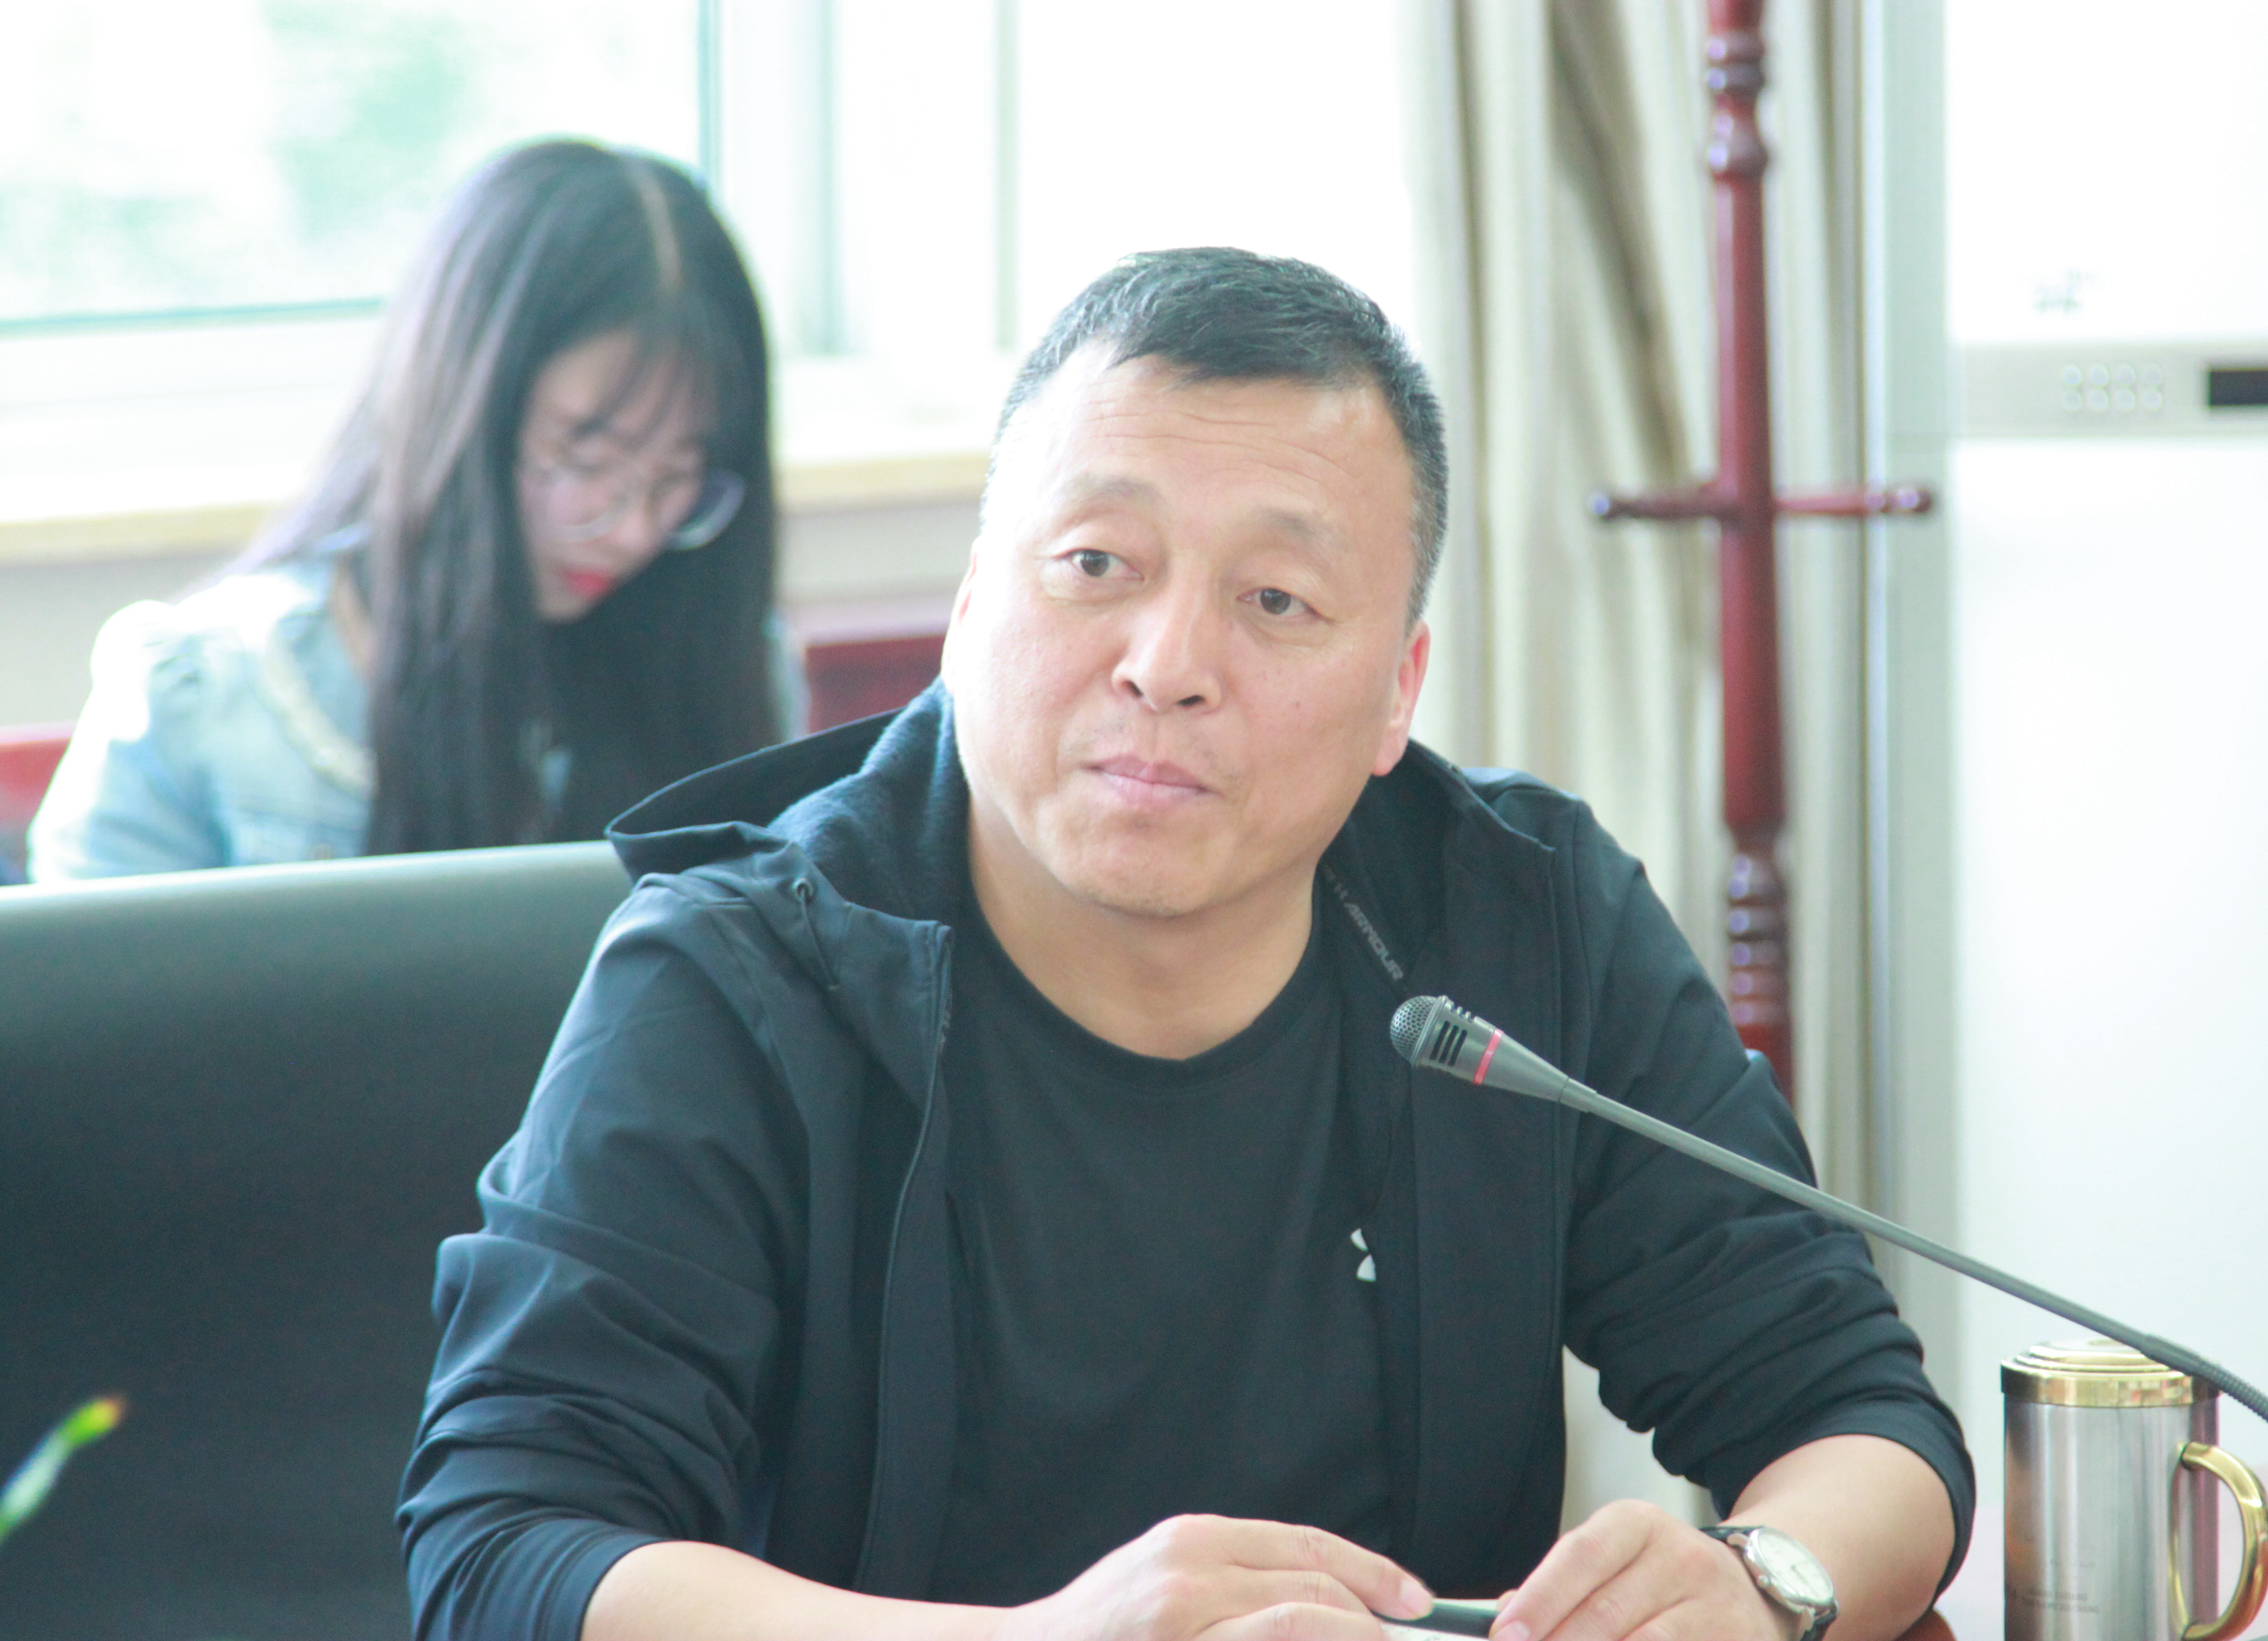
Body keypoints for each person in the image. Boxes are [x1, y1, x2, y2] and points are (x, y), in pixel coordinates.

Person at [402, 249, 1973, 1641]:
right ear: (969, 606)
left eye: (1277, 600)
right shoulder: (737, 978)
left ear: (1399, 691)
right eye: (1098, 565)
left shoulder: (1516, 922)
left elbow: (1860, 1415)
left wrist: (1768, 1587)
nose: (1167, 666)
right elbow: (504, 1554)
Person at [28, 139, 797, 881]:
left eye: (679, 476)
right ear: (463, 415)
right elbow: (85, 969)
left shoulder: (733, 664)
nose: (633, 532)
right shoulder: (208, 689)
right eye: (588, 462)